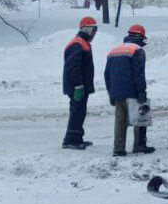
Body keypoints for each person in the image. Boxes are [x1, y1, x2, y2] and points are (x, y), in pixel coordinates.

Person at [104, 24, 154, 156]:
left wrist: (111, 93)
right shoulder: (137, 50)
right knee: (140, 116)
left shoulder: (114, 51)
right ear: (140, 37)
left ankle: (118, 149)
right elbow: (138, 73)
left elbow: (107, 74)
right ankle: (139, 145)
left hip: (117, 92)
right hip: (132, 91)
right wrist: (141, 91)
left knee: (120, 120)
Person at [61, 17, 97, 150]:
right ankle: (70, 140)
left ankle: (77, 137)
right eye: (93, 29)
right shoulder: (77, 44)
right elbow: (73, 67)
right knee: (77, 111)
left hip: (81, 86)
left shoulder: (83, 43)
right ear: (86, 29)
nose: (94, 33)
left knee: (80, 111)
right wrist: (78, 85)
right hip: (77, 87)